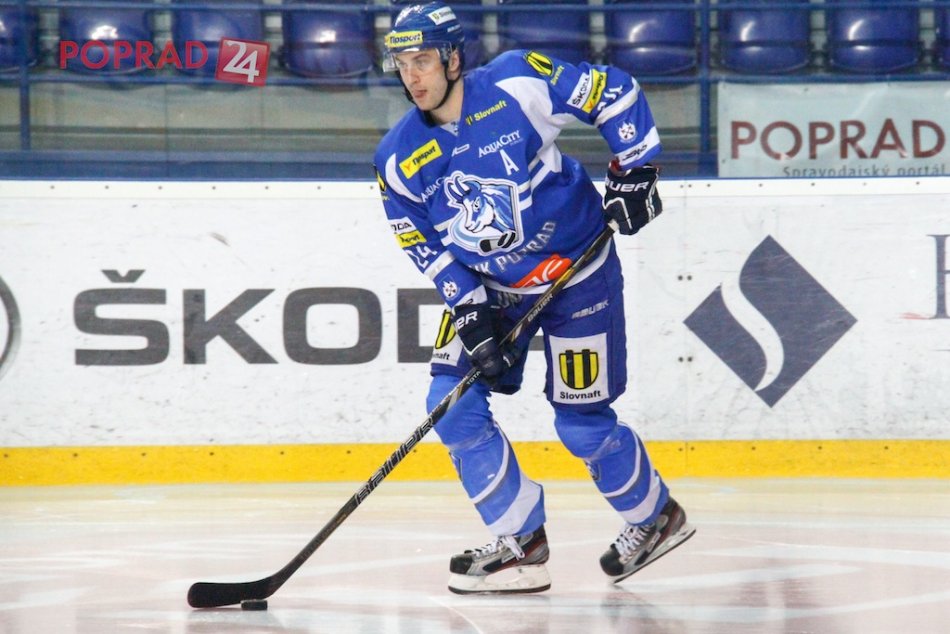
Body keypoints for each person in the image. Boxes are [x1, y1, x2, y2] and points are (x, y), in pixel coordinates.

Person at [373, 1, 694, 595]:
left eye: (422, 60)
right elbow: (427, 248)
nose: (412, 75)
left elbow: (613, 92)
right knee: (451, 403)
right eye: (402, 63)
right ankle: (521, 542)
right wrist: (471, 314)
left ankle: (655, 517)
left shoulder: (517, 82)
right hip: (493, 291)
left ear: (452, 57)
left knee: (581, 426)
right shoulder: (396, 159)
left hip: (578, 274)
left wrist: (636, 170)